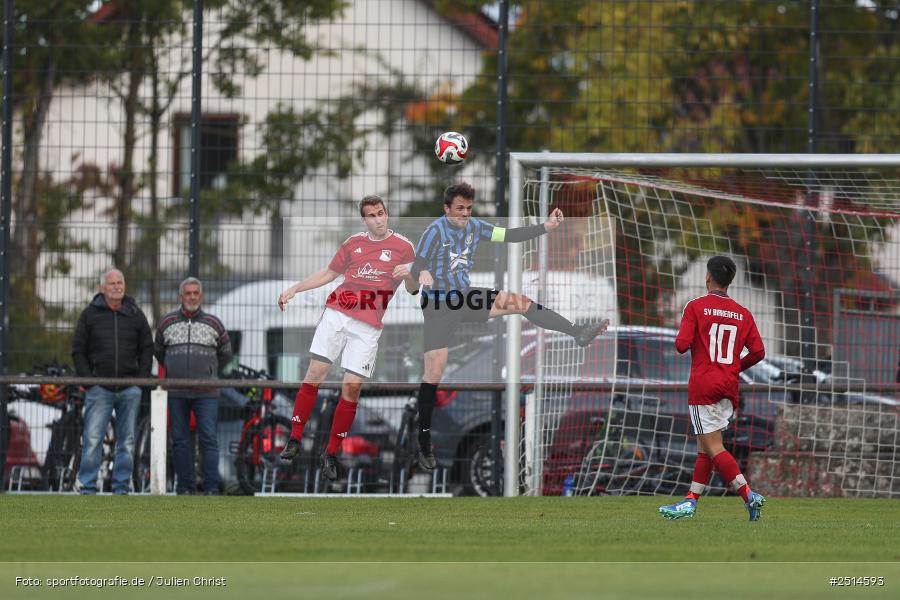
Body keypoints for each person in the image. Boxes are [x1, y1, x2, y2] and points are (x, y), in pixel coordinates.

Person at [410, 182, 609, 470]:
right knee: (434, 372)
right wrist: (424, 271)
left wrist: (546, 227)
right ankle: (424, 441)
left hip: (465, 297)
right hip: (439, 305)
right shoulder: (434, 231)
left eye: (468, 208)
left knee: (520, 302)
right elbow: (417, 266)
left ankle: (578, 332)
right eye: (459, 209)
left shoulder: (475, 226)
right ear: (446, 209)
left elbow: (511, 235)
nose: (464, 214)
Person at [277, 195, 417, 481]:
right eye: (372, 215)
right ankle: (294, 438)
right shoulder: (353, 243)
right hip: (338, 313)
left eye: (381, 213)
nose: (378, 219)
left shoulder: (404, 247)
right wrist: (296, 288)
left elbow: (414, 289)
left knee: (351, 388)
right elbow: (329, 273)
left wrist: (411, 274)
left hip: (368, 326)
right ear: (364, 220)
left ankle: (331, 453)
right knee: (315, 372)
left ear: (386, 214)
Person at [658, 255, 768, 521]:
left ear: (708, 277)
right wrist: (732, 368)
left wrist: (691, 333)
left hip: (704, 384)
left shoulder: (695, 307)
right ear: (729, 281)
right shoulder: (743, 313)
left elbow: (681, 345)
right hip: (729, 386)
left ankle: (749, 495)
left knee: (714, 447)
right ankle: (690, 502)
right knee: (704, 447)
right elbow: (759, 351)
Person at [72, 268, 153, 495]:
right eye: (112, 283)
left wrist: (141, 380)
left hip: (130, 389)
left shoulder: (136, 314)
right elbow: (78, 350)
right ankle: (87, 487)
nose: (117, 286)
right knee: (92, 439)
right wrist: (90, 381)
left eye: (120, 282)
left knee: (127, 442)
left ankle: (120, 488)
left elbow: (147, 347)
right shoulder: (89, 315)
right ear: (102, 288)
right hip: (99, 390)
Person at [154, 277, 232, 495]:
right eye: (187, 293)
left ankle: (211, 487)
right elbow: (159, 351)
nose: (192, 297)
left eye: (195, 293)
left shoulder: (214, 323)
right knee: (179, 441)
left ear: (201, 296)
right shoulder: (166, 322)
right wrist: (173, 368)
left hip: (207, 391)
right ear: (181, 297)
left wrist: (209, 371)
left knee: (209, 439)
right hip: (176, 391)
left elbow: (226, 354)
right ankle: (184, 487)